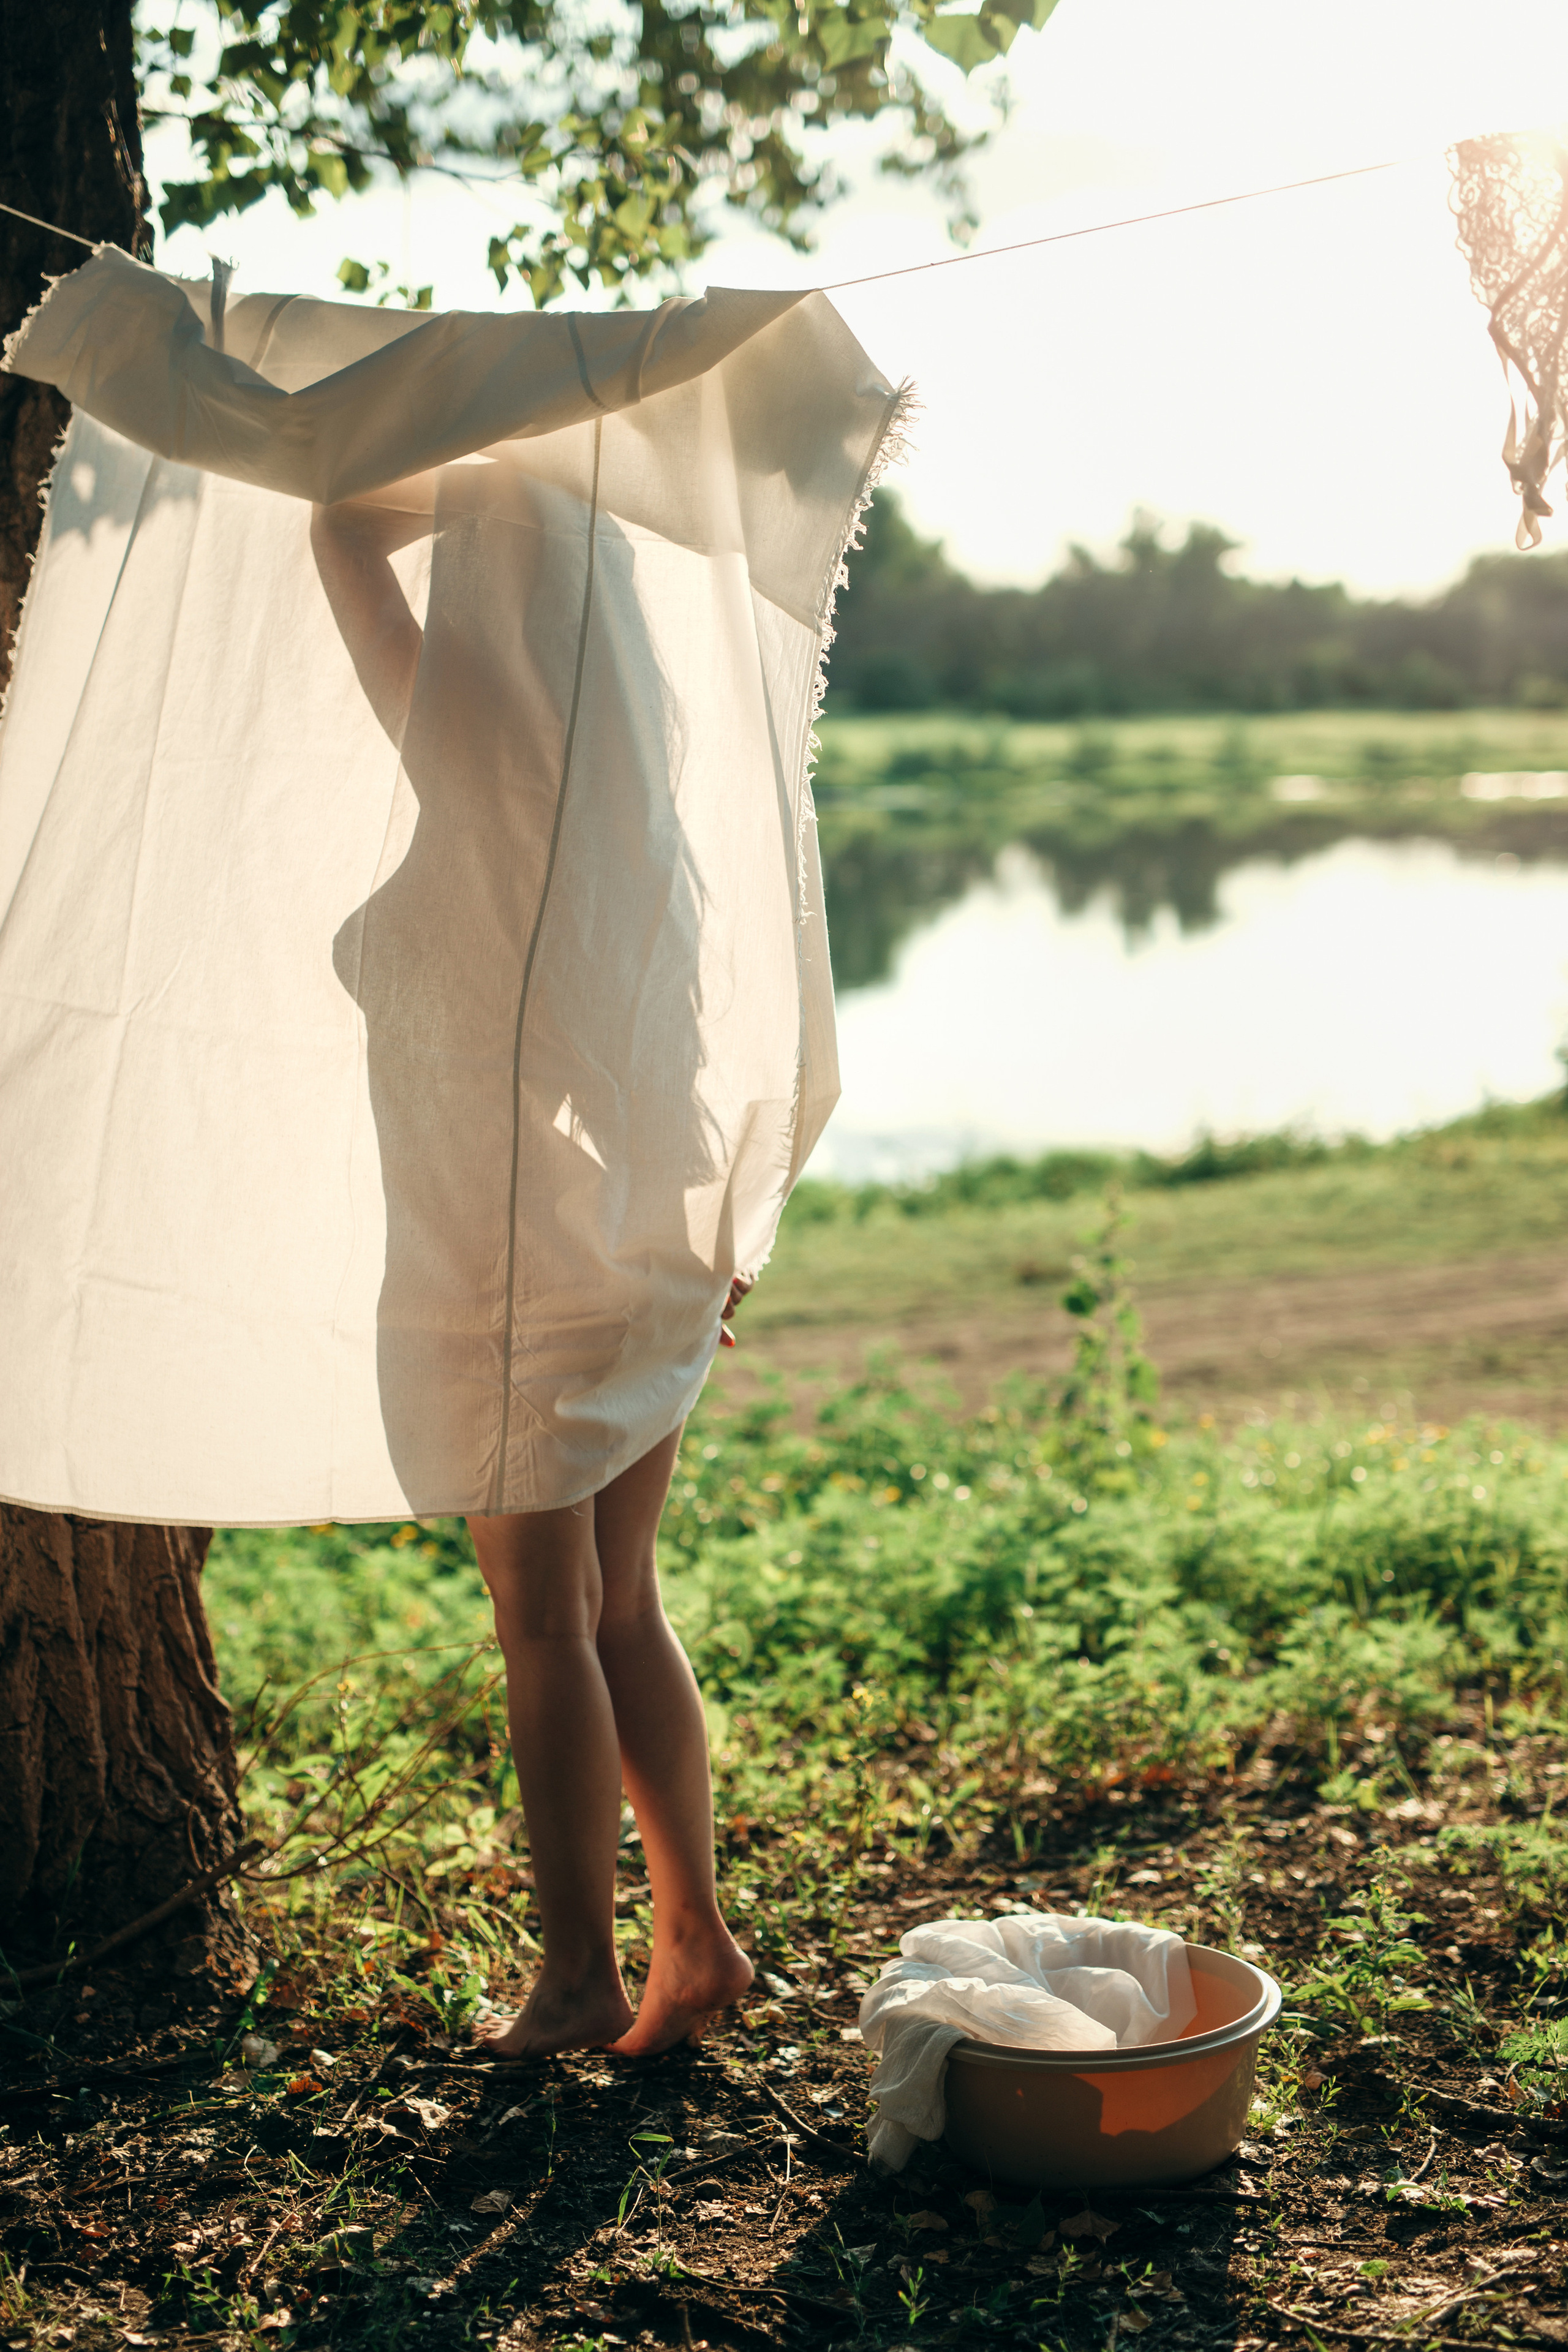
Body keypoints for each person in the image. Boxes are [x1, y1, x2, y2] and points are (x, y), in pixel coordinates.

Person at [469, 1273, 755, 2057]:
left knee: (546, 1620)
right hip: (650, 1263)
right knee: (625, 1597)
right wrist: (726, 1246)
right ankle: (695, 1940)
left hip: (506, 1276)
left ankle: (578, 1981)